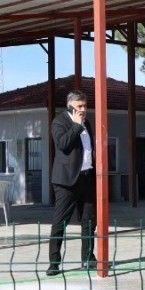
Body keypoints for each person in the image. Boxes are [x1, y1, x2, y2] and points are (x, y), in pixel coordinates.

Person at [46, 91, 96, 276]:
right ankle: (54, 263)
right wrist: (76, 126)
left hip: (87, 178)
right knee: (60, 222)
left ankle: (88, 258)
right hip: (66, 181)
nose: (83, 109)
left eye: (85, 105)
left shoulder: (87, 123)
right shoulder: (59, 122)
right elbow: (63, 145)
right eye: (79, 106)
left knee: (89, 221)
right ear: (70, 106)